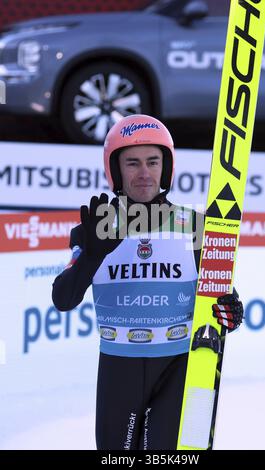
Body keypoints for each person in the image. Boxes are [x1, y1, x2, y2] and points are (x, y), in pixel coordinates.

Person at [52, 114, 243, 450]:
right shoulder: (94, 228)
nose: (144, 173)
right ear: (116, 170)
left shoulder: (197, 227)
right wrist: (93, 255)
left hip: (178, 368)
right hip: (118, 370)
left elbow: (222, 298)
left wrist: (230, 311)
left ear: (165, 168)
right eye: (133, 163)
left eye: (153, 162)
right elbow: (63, 298)